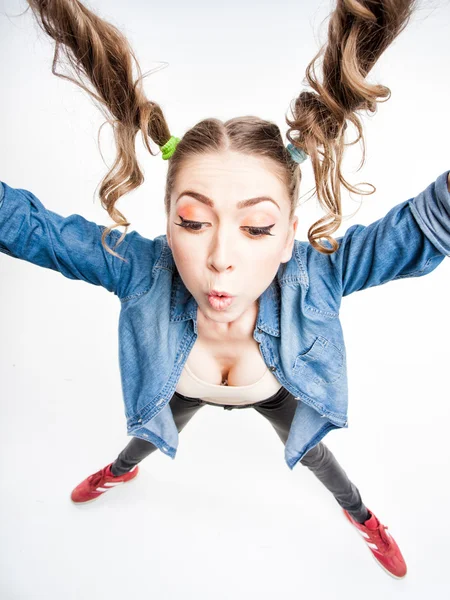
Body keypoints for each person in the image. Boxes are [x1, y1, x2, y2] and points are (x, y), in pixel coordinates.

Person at [2, 0, 449, 580]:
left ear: (289, 236)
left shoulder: (319, 274)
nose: (220, 259)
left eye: (257, 227)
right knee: (147, 436)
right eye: (193, 222)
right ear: (167, 225)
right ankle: (119, 470)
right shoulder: (141, 269)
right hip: (180, 388)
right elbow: (31, 228)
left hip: (274, 393)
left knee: (319, 459)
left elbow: (419, 229)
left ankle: (363, 518)